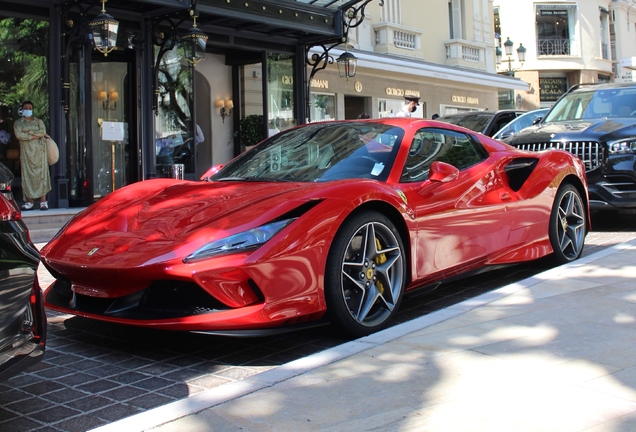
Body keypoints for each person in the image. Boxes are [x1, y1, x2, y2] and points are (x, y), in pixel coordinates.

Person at [13, 101, 51, 210]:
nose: (28, 110)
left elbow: (42, 132)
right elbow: (19, 135)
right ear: (22, 109)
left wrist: (28, 133)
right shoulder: (18, 123)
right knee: (27, 175)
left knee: (42, 174)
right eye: (26, 108)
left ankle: (43, 202)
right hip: (26, 154)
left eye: (30, 108)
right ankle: (29, 201)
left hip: (40, 152)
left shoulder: (39, 122)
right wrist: (33, 136)